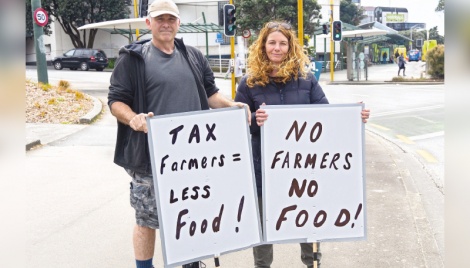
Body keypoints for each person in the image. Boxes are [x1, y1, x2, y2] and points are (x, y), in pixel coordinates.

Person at [107, 0, 249, 267]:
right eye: (160, 19)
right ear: (148, 23)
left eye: (171, 19)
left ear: (178, 23)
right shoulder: (133, 58)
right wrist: (133, 118)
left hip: (193, 159)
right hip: (150, 158)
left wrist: (232, 105)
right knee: (146, 220)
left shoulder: (193, 56)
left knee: (193, 214)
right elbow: (116, 101)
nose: (166, 24)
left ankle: (190, 263)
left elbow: (211, 94)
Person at [234, 21, 370, 268]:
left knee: (309, 219)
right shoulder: (249, 83)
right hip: (263, 170)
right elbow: (236, 126)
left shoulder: (306, 80)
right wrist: (254, 120)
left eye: (283, 43)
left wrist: (354, 117)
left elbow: (326, 118)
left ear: (291, 47)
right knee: (265, 226)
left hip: (304, 168)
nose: (277, 48)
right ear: (263, 46)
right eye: (272, 42)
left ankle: (312, 264)